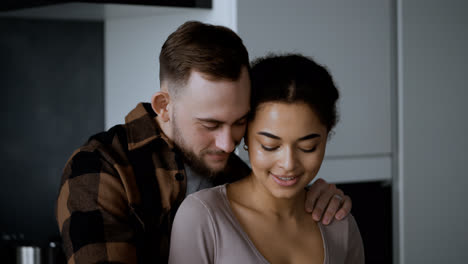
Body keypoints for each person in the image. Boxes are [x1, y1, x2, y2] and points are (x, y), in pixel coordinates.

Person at [55, 21, 352, 263]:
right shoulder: (101, 166)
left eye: (239, 122)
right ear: (164, 106)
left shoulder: (234, 171)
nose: (227, 143)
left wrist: (313, 197)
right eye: (210, 124)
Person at [169, 54, 365, 264]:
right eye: (269, 146)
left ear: (327, 137)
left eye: (308, 147)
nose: (288, 164)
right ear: (245, 135)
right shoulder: (202, 217)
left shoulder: (340, 224)